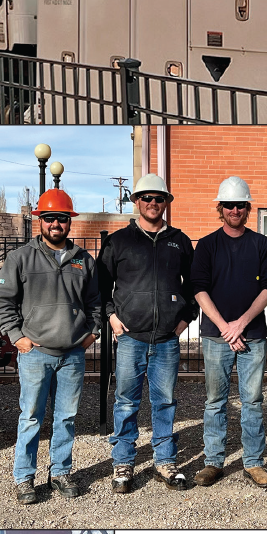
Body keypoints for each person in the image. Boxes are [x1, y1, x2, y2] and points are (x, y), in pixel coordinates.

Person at [0, 190, 100, 504]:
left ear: (69, 222)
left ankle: (60, 472)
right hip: (35, 354)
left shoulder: (83, 260)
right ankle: (25, 478)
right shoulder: (20, 258)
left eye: (62, 219)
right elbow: (3, 302)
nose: (55, 223)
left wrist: (91, 333)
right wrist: (16, 336)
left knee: (66, 418)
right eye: (49, 218)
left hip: (72, 355)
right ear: (41, 220)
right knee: (30, 417)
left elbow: (96, 303)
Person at [97, 175, 197, 493]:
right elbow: (99, 287)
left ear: (166, 202)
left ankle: (165, 462)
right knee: (126, 403)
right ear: (136, 201)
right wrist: (111, 317)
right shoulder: (119, 242)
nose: (153, 203)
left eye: (159, 198)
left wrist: (184, 321)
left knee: (164, 402)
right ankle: (123, 464)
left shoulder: (179, 241)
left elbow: (195, 287)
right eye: (147, 198)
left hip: (167, 339)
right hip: (130, 338)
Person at [191, 178, 267, 489]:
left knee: (252, 400)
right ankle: (213, 462)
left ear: (248, 208)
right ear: (221, 208)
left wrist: (240, 324)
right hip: (216, 337)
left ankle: (253, 463)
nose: (235, 209)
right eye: (229, 205)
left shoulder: (262, 244)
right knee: (215, 401)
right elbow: (198, 289)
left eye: (241, 204)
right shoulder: (207, 245)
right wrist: (226, 327)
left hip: (252, 334)